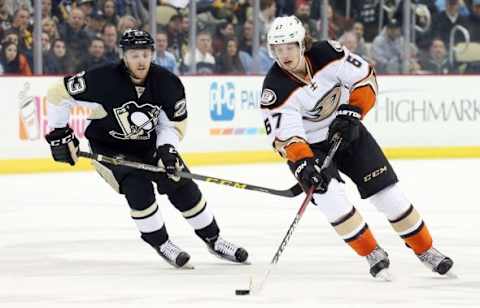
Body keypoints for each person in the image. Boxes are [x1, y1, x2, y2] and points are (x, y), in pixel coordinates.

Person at [260, 16, 453, 279]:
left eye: (289, 46)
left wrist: (353, 111)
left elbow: (365, 78)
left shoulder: (328, 53)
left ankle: (426, 250)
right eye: (278, 49)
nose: (284, 55)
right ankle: (372, 252)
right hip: (310, 146)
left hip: (347, 130)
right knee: (332, 200)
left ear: (301, 43)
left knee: (389, 195)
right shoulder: (275, 88)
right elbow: (287, 138)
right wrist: (303, 162)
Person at [44, 29, 249, 269]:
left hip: (148, 146)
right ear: (124, 56)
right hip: (109, 149)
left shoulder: (168, 83)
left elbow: (172, 124)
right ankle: (161, 243)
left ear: (152, 54)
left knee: (180, 181)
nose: (140, 60)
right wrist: (60, 133)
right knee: (137, 185)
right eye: (134, 55)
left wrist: (167, 150)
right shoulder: (102, 79)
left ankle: (214, 239)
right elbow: (58, 93)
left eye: (144, 54)